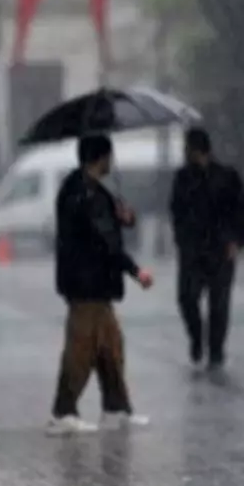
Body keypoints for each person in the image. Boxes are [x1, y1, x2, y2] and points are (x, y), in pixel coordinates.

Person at [47, 134, 153, 436]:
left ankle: (116, 408)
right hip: (86, 285)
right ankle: (63, 412)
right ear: (100, 157)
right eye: (109, 156)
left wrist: (125, 218)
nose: (112, 162)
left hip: (94, 284)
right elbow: (104, 241)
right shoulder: (84, 192)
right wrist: (135, 271)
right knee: (80, 349)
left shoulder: (88, 190)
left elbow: (111, 224)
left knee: (110, 347)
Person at [169, 128, 244, 369]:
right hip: (193, 249)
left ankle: (216, 351)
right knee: (187, 298)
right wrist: (182, 241)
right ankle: (197, 337)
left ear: (196, 150)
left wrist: (236, 240)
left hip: (220, 248)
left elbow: (242, 212)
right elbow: (176, 212)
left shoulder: (227, 177)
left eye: (187, 148)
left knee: (219, 304)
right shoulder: (183, 178)